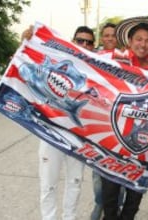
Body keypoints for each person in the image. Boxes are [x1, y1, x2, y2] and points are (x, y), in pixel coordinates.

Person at [22, 26, 95, 220]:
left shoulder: (96, 70)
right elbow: (28, 58)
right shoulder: (56, 58)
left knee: (75, 182)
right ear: (73, 41)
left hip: (78, 137)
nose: (85, 45)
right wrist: (27, 40)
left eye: (89, 42)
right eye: (80, 40)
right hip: (50, 133)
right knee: (48, 184)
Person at [100, 17, 148, 220]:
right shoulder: (114, 57)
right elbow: (82, 58)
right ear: (129, 41)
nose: (143, 44)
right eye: (139, 39)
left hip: (142, 143)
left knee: (135, 195)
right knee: (109, 196)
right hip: (113, 139)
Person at [91, 22, 125, 220]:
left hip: (120, 125)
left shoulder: (127, 59)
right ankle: (99, 204)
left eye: (113, 35)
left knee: (119, 171)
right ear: (101, 38)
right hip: (98, 123)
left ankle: (115, 209)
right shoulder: (93, 57)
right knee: (98, 172)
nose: (110, 38)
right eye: (106, 35)